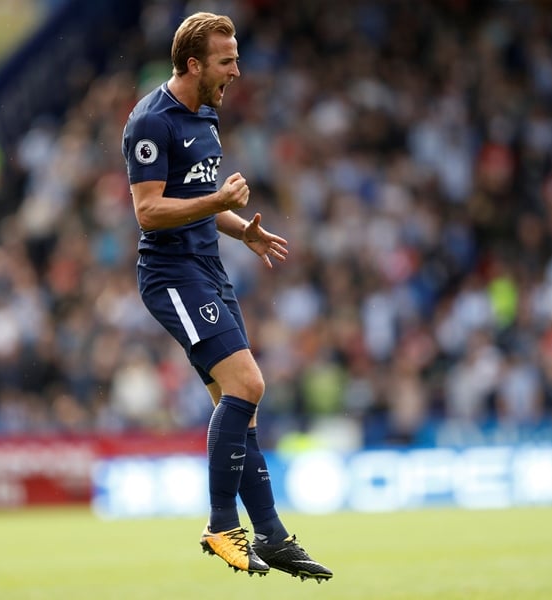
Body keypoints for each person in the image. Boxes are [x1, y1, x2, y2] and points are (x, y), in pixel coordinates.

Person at [121, 11, 332, 582]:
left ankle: (273, 536)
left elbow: (201, 201)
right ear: (194, 64)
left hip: (208, 269)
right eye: (227, 60)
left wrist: (242, 229)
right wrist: (217, 204)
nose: (237, 70)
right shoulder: (151, 122)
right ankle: (220, 525)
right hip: (172, 275)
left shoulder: (207, 116)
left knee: (239, 410)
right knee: (248, 385)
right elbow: (149, 210)